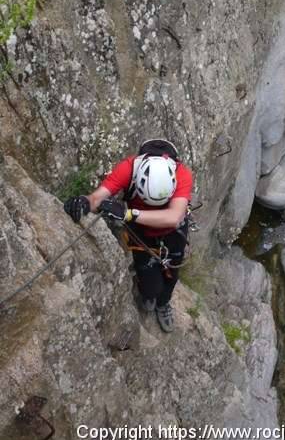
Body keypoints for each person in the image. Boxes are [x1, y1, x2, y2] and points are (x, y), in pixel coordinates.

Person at [64, 138, 193, 332]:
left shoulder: (182, 174)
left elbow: (174, 217)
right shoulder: (128, 169)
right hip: (141, 234)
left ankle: (163, 303)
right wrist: (84, 201)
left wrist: (128, 214)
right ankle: (149, 292)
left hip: (172, 233)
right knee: (151, 286)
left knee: (172, 274)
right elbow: (97, 198)